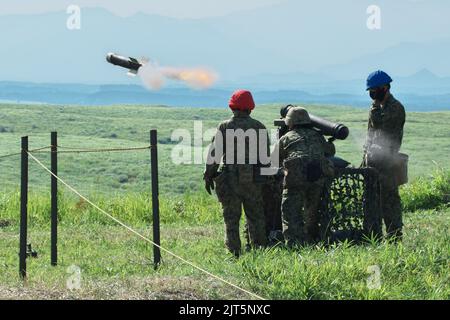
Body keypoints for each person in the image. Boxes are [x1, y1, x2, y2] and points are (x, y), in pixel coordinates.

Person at [203, 89, 269, 257]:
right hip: (253, 178)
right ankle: (258, 250)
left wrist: (208, 175)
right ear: (250, 108)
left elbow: (214, 154)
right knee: (255, 217)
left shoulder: (225, 126)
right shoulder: (259, 127)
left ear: (232, 107)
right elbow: (265, 158)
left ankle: (234, 253)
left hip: (229, 178)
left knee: (231, 218)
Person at [275, 106, 334, 246]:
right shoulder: (318, 136)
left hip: (295, 181)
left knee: (290, 213)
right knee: (312, 211)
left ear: (290, 122)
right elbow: (330, 151)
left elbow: (274, 159)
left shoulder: (287, 138)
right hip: (316, 179)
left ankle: (293, 244)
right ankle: (313, 240)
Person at [363, 70, 406, 241]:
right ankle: (374, 237)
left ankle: (395, 237)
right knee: (371, 202)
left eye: (375, 90)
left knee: (389, 202)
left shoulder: (395, 108)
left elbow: (384, 134)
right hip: (373, 162)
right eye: (371, 91)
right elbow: (370, 133)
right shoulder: (375, 107)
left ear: (385, 88)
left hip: (387, 163)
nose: (373, 94)